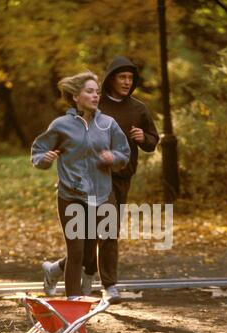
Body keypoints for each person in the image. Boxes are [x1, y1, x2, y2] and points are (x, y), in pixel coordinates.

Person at [42, 57, 159, 302]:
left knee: (103, 233)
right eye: (122, 77)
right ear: (111, 80)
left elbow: (153, 140)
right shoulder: (95, 102)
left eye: (130, 78)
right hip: (93, 178)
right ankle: (109, 285)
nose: (127, 82)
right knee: (96, 235)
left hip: (122, 177)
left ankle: (59, 270)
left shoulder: (138, 109)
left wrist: (143, 138)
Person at [31, 71, 130, 298]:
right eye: (89, 91)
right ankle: (73, 303)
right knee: (76, 252)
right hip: (70, 195)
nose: (95, 96)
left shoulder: (108, 124)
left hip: (102, 194)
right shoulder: (61, 125)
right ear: (76, 96)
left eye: (97, 92)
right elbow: (39, 151)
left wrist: (113, 158)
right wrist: (43, 160)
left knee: (92, 250)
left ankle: (54, 270)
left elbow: (124, 153)